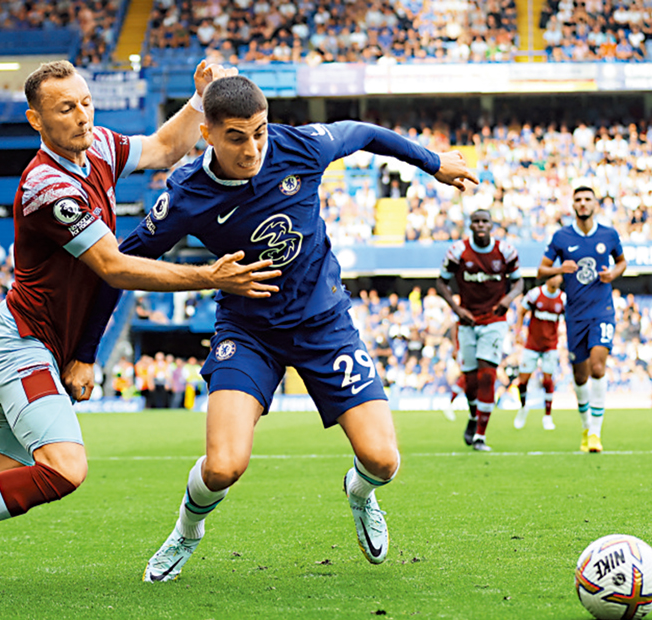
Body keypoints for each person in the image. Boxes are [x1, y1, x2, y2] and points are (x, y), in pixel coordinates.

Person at [0, 60, 280, 596]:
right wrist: (208, 277)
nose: (81, 116)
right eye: (65, 108)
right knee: (65, 467)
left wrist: (199, 100)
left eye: (86, 102)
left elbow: (165, 149)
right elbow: (115, 267)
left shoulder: (97, 147)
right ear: (36, 120)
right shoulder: (48, 187)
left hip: (32, 343)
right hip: (23, 345)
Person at [84, 75, 477, 582]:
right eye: (236, 138)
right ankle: (187, 530)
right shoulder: (186, 197)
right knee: (224, 466)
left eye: (260, 133)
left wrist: (433, 161)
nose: (252, 149)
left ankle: (359, 493)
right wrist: (85, 351)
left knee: (383, 461)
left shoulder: (300, 147)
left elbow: (362, 132)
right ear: (207, 134)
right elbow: (121, 266)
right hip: (248, 332)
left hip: (323, 321)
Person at [537, 185, 627, 453]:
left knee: (598, 368)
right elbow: (540, 270)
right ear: (573, 205)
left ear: (595, 204)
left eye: (588, 199)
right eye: (578, 199)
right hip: (575, 314)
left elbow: (622, 262)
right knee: (580, 376)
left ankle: (596, 434)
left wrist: (613, 273)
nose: (583, 203)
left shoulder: (609, 234)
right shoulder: (561, 237)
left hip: (603, 311)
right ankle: (586, 426)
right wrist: (559, 268)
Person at [436, 210, 523, 452]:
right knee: (471, 380)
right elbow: (441, 282)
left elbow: (519, 281)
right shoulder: (458, 251)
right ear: (470, 226)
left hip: (495, 320)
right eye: (476, 221)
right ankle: (474, 418)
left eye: (485, 221)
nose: (481, 225)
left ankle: (480, 437)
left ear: (492, 225)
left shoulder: (505, 251)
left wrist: (508, 299)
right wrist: (456, 309)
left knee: (488, 375)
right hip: (468, 321)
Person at [512, 274, 565, 431]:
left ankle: (547, 416)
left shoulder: (563, 299)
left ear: (561, 279)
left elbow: (568, 318)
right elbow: (521, 311)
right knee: (523, 380)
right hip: (532, 344)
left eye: (557, 276)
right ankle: (523, 408)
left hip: (550, 345)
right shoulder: (536, 294)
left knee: (548, 380)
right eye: (552, 276)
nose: (554, 279)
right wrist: (518, 332)